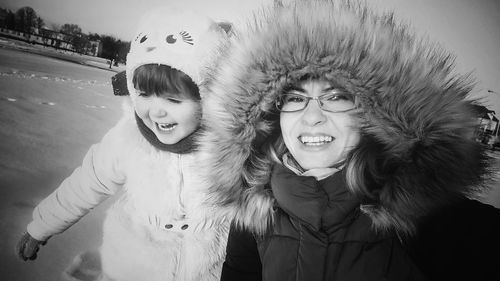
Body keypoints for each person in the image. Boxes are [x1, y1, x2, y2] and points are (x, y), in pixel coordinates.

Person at [196, 0, 497, 280]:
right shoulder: (254, 213)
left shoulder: (422, 212)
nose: (312, 116)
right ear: (274, 116)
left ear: (370, 113)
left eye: (336, 96)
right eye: (295, 97)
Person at [16, 6, 232, 281]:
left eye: (173, 100)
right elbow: (87, 182)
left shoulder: (232, 148)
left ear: (209, 97)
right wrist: (41, 226)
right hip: (131, 267)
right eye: (143, 94)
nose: (156, 112)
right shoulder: (129, 137)